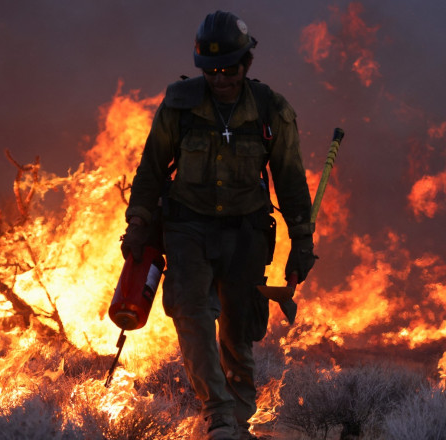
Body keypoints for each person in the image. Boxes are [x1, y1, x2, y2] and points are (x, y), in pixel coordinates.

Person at [121, 10, 316, 440]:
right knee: (191, 312)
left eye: (228, 69)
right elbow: (151, 170)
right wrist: (138, 224)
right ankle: (219, 413)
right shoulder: (179, 106)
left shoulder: (272, 111)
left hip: (246, 233)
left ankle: (239, 413)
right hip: (188, 227)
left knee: (238, 327)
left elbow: (290, 178)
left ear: (246, 64)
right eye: (211, 70)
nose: (220, 78)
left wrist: (302, 240)